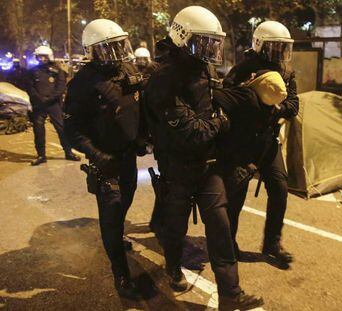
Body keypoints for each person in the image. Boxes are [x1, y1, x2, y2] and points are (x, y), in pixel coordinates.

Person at [144, 6, 264, 310]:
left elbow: (209, 114)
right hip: (178, 168)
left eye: (213, 43)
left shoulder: (202, 68)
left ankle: (230, 295)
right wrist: (221, 121)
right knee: (175, 229)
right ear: (182, 38)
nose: (210, 50)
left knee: (221, 230)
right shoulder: (164, 79)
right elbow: (193, 132)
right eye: (204, 42)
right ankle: (173, 268)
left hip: (208, 166)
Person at [64, 19, 144, 300]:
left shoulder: (129, 70)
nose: (116, 54)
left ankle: (118, 237)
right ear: (92, 52)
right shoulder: (82, 83)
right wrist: (98, 155)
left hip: (128, 157)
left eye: (119, 46)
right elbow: (72, 130)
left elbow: (138, 108)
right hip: (105, 161)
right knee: (111, 215)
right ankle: (121, 275)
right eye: (108, 49)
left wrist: (142, 138)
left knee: (125, 205)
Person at [223, 21, 299, 266]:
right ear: (260, 45)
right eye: (274, 47)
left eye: (282, 48)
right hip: (243, 143)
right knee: (236, 196)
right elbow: (228, 101)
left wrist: (274, 109)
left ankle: (272, 243)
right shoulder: (242, 70)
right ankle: (228, 244)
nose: (279, 53)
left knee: (279, 188)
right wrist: (253, 104)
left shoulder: (286, 73)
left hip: (269, 141)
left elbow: (293, 104)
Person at [27, 46, 80, 166]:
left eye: (44, 56)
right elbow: (30, 87)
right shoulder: (32, 71)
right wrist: (39, 99)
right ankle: (41, 155)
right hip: (39, 105)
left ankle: (68, 152)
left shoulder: (57, 70)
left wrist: (49, 99)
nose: (41, 59)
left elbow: (61, 88)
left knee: (61, 129)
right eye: (39, 57)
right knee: (38, 130)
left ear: (49, 56)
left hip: (53, 104)